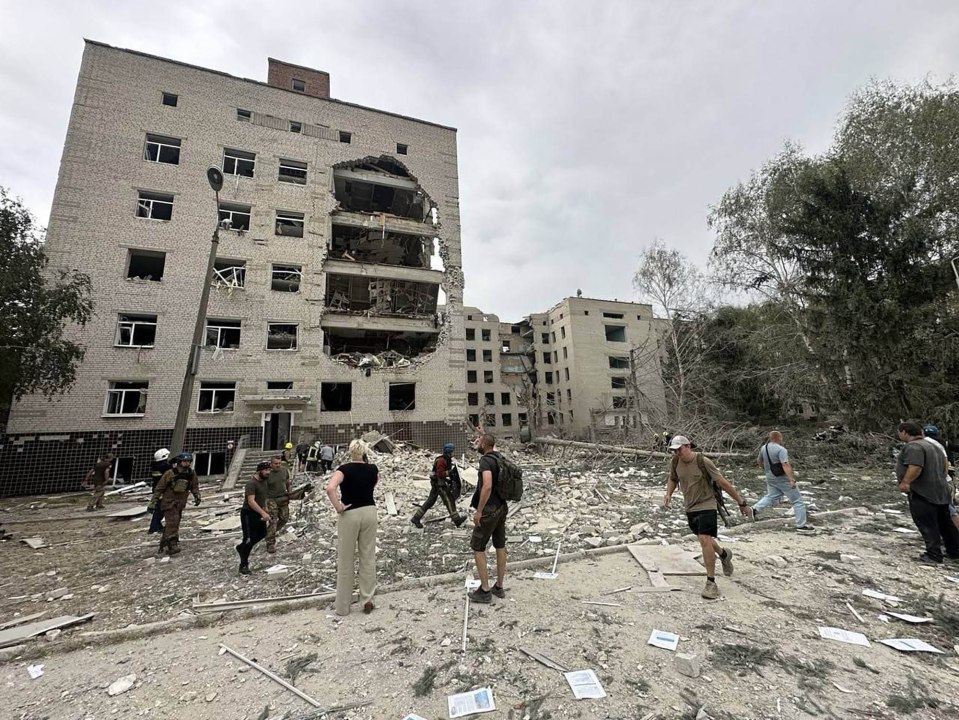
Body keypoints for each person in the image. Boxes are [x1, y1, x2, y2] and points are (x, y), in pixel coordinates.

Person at [664, 435, 749, 599]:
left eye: (679, 449)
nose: (677, 453)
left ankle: (711, 583)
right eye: (674, 451)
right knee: (706, 540)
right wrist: (668, 494)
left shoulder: (704, 462)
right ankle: (724, 554)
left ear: (688, 446)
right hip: (690, 506)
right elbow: (673, 479)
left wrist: (741, 502)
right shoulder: (675, 462)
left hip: (707, 504)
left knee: (704, 539)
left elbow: (723, 482)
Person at [326, 439, 378, 615]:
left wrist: (339, 507)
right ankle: (367, 599)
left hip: (350, 513)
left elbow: (330, 488)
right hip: (370, 512)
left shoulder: (344, 469)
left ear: (350, 452)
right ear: (365, 452)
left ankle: (342, 606)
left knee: (346, 559)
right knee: (368, 556)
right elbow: (373, 486)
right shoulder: (373, 469)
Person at [895, 421, 959, 564]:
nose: (899, 435)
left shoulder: (914, 447)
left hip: (924, 492)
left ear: (905, 432)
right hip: (941, 490)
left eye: (899, 432)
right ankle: (955, 551)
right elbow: (945, 465)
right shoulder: (934, 445)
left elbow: (916, 466)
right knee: (945, 523)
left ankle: (933, 555)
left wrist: (906, 482)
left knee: (927, 524)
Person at [468, 434, 508, 603]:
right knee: (500, 545)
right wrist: (483, 432)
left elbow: (488, 485)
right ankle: (499, 586)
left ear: (484, 444)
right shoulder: (500, 458)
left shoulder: (485, 461)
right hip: (502, 507)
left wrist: (479, 511)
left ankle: (485, 590)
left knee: (478, 547)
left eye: (479, 441)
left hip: (489, 510)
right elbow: (491, 440)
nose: (476, 443)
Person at [749, 431, 814, 533]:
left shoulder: (764, 448)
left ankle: (754, 509)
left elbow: (759, 461)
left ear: (770, 438)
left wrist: (766, 470)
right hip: (781, 477)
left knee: (772, 495)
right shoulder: (781, 450)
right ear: (779, 438)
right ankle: (801, 525)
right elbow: (785, 464)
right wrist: (791, 479)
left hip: (769, 476)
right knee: (797, 500)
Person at [148, 453, 200, 556]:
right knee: (173, 523)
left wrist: (197, 496)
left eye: (189, 461)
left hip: (180, 503)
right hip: (169, 502)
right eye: (185, 461)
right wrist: (153, 502)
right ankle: (173, 545)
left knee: (172, 523)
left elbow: (194, 486)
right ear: (179, 462)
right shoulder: (170, 473)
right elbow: (159, 489)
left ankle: (163, 543)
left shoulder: (191, 473)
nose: (187, 463)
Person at [411, 443, 465, 528]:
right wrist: (450, 473)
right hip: (439, 485)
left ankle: (416, 518)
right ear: (449, 452)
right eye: (452, 452)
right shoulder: (441, 461)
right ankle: (457, 520)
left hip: (437, 483)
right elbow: (440, 474)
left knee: (430, 502)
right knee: (449, 500)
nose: (453, 454)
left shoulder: (445, 459)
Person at [236, 460, 273, 575]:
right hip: (248, 513)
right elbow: (251, 501)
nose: (268, 472)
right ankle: (243, 565)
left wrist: (265, 508)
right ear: (259, 471)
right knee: (248, 539)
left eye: (269, 470)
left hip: (259, 511)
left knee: (262, 533)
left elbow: (263, 497)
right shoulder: (251, 483)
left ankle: (241, 548)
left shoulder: (265, 481)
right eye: (266, 470)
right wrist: (263, 513)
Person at [924, 424, 959, 530]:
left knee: (948, 508)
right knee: (948, 505)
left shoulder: (925, 444)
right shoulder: (945, 443)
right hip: (949, 476)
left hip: (936, 479)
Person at [265, 455, 292, 553]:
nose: (278, 465)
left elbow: (288, 482)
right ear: (271, 464)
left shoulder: (284, 471)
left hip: (283, 497)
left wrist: (290, 493)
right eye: (276, 464)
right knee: (273, 520)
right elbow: (263, 489)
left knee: (284, 518)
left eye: (279, 463)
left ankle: (269, 532)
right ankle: (270, 543)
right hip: (271, 499)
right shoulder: (267, 474)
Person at [148, 448, 172, 534]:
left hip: (157, 489)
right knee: (160, 509)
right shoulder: (164, 467)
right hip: (162, 490)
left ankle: (157, 526)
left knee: (160, 509)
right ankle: (154, 527)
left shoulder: (155, 466)